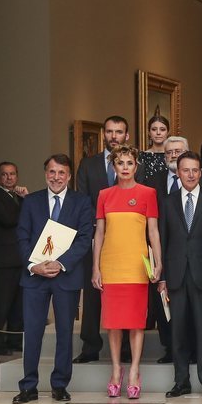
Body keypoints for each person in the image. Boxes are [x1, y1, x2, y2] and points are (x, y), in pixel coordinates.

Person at [12, 155, 93, 404]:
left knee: (65, 332)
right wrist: (34, 266)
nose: (56, 177)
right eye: (51, 172)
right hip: (35, 277)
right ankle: (29, 386)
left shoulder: (81, 201)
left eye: (61, 173)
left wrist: (61, 263)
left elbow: (84, 238)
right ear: (45, 173)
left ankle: (59, 385)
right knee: (33, 331)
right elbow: (22, 236)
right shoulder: (31, 201)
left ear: (69, 176)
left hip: (65, 276)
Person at [91, 146, 161, 399]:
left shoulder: (148, 193)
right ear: (114, 166)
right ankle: (116, 370)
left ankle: (133, 371)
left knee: (135, 323)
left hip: (136, 265)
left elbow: (153, 232)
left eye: (129, 162)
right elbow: (99, 233)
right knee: (113, 324)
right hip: (111, 266)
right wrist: (95, 266)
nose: (125, 167)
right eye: (120, 163)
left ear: (136, 165)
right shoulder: (104, 195)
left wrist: (158, 263)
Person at [157, 150, 202, 399]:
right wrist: (161, 277)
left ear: (201, 172)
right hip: (174, 275)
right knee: (178, 331)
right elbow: (161, 240)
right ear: (178, 172)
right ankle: (181, 381)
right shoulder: (167, 201)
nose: (191, 174)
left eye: (195, 170)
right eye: (186, 170)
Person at [74, 115, 129, 363]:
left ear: (126, 135)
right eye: (109, 131)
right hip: (96, 235)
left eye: (119, 132)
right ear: (103, 134)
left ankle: (126, 347)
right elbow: (83, 201)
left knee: (123, 291)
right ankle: (90, 346)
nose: (114, 136)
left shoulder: (131, 163)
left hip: (125, 237)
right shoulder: (88, 165)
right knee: (93, 290)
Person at [143, 136, 193, 363]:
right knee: (163, 301)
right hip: (162, 249)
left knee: (190, 305)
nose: (173, 155)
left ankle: (191, 349)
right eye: (169, 152)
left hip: (191, 253)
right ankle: (169, 347)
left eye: (178, 151)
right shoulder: (152, 181)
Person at [0, 161, 27, 354]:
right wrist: (25, 200)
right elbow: (9, 220)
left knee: (18, 305)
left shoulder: (18, 197)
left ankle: (14, 342)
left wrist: (24, 199)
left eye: (13, 174)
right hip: (3, 261)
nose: (9, 178)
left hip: (20, 258)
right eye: (5, 174)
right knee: (1, 305)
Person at [138, 113, 170, 182]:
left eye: (162, 129)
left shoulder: (173, 156)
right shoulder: (141, 156)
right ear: (149, 132)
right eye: (154, 129)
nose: (158, 133)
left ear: (168, 132)